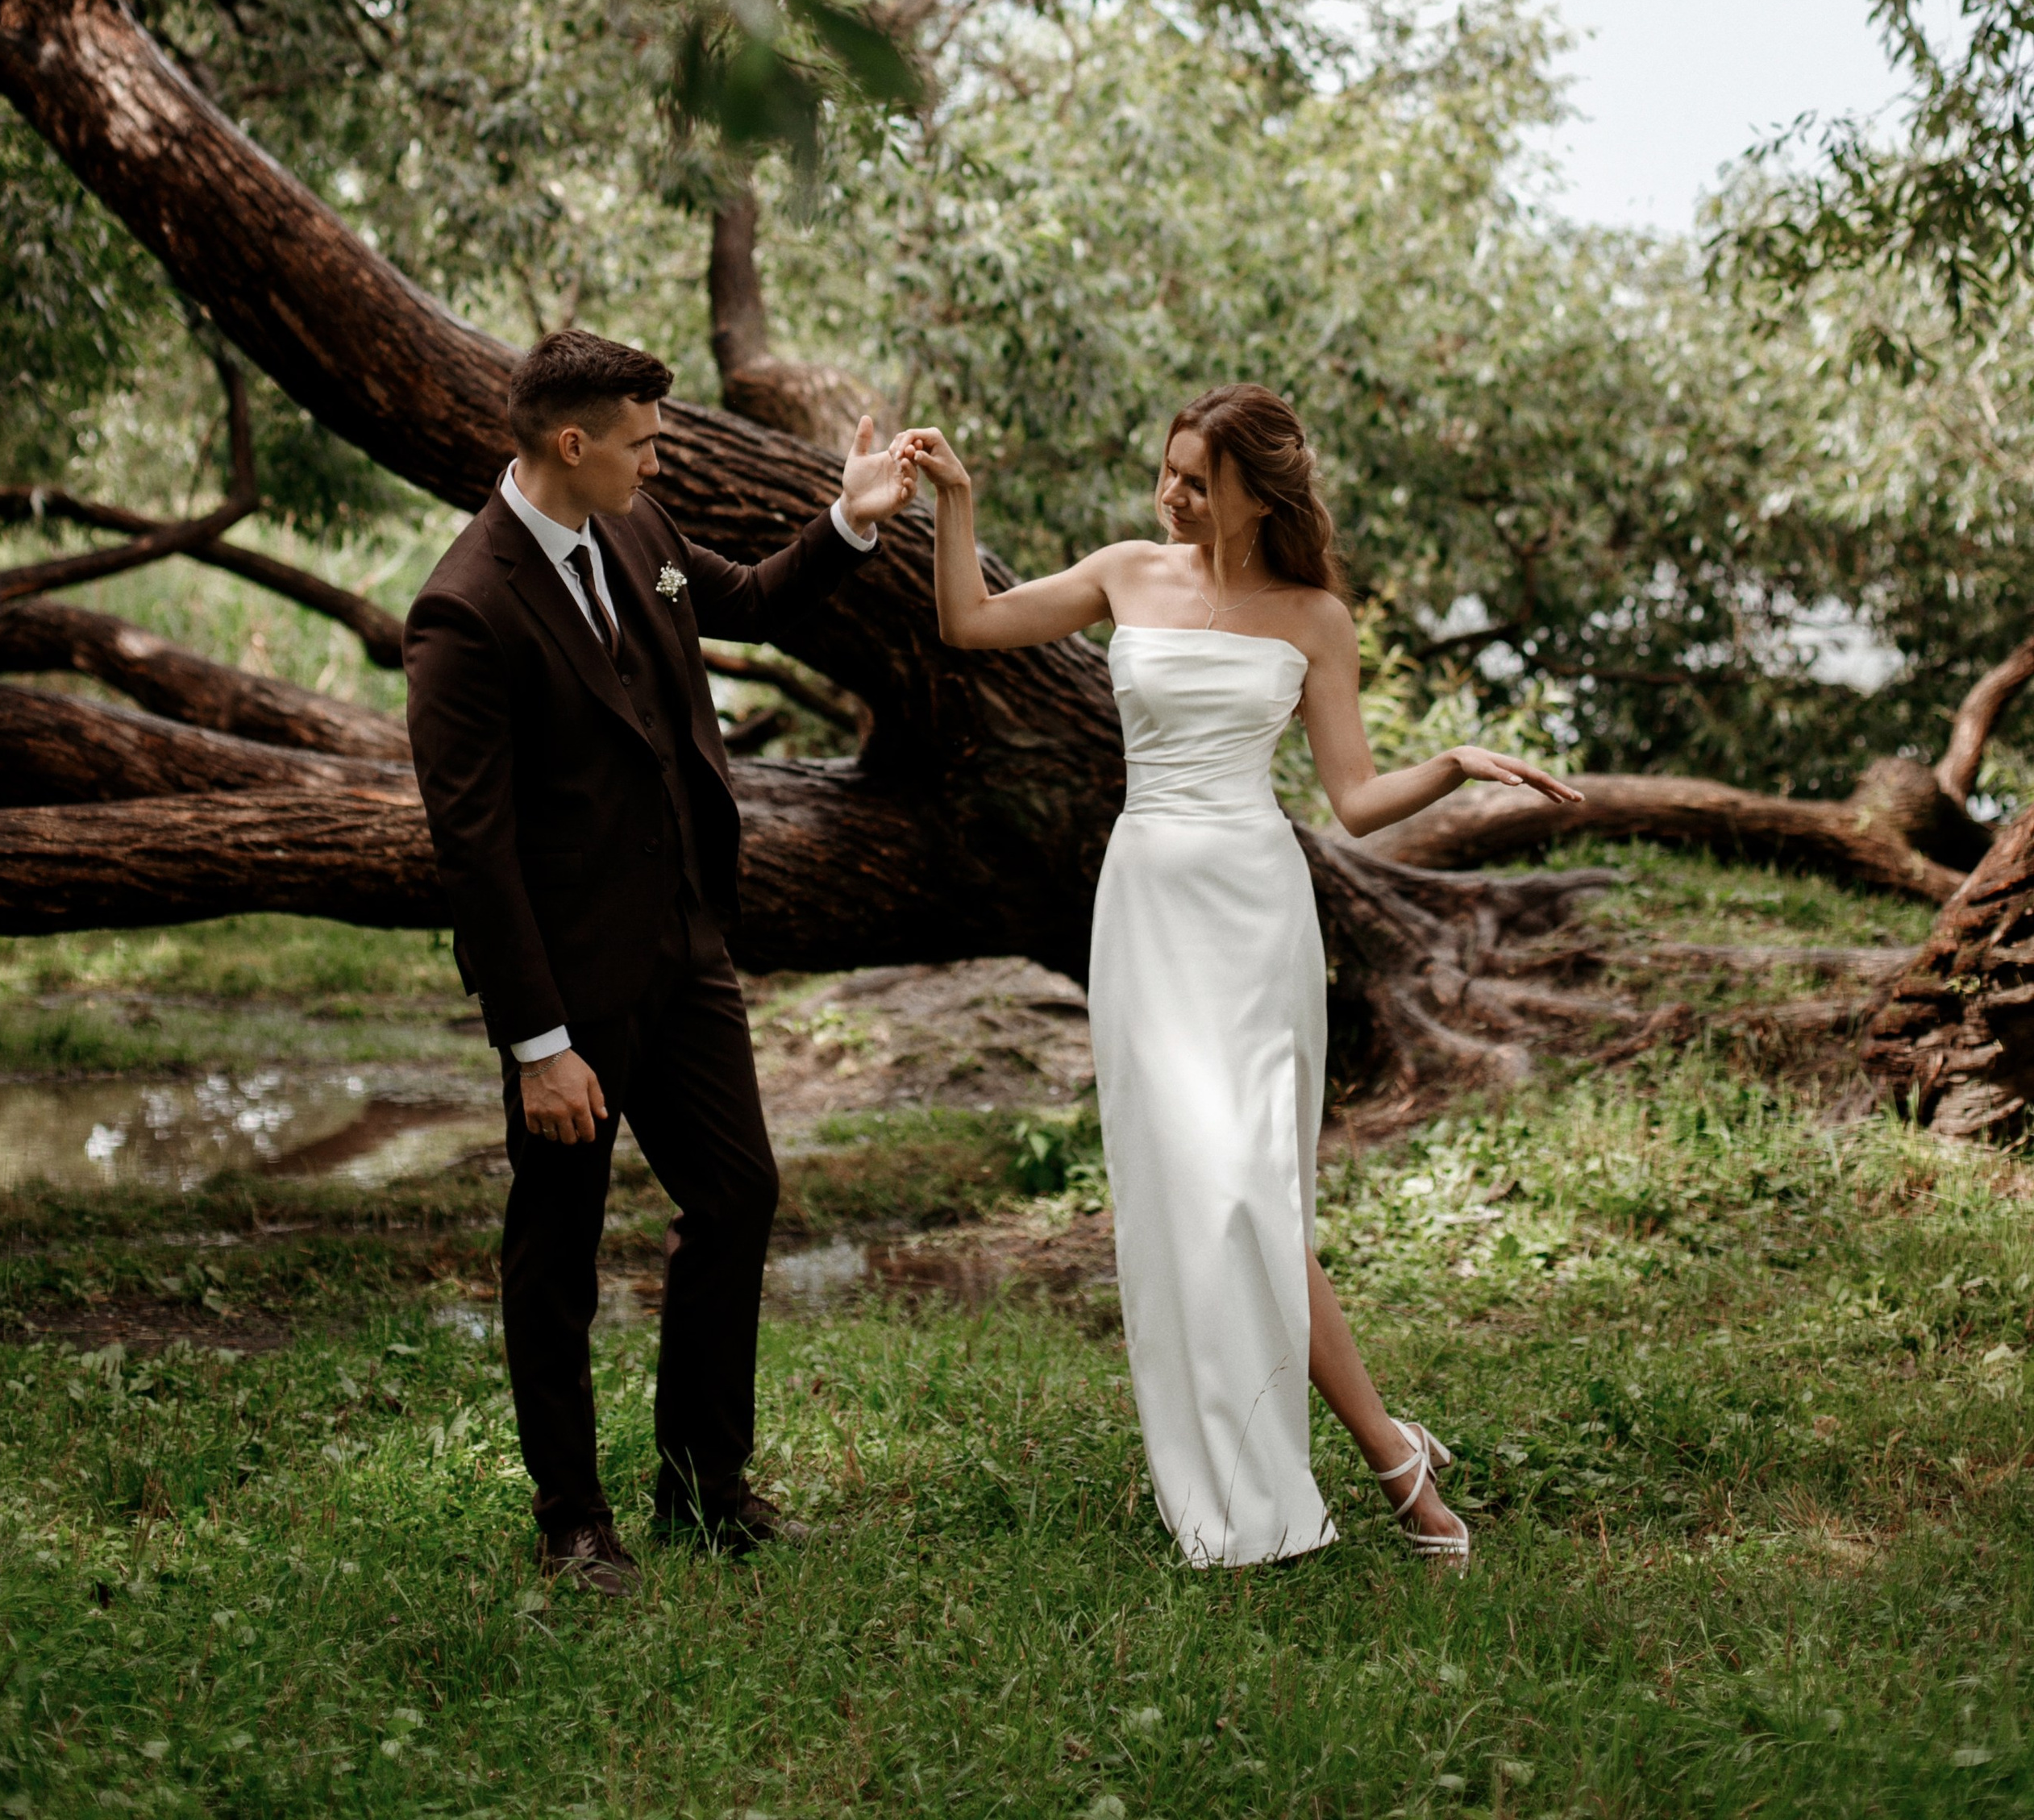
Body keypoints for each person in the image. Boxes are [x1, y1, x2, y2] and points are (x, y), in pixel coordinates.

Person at [906, 384, 1581, 1573]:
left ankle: (1388, 1460)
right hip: (1149, 901)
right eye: (1165, 471)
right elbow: (967, 621)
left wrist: (1454, 765)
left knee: (1253, 1196)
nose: (1169, 496)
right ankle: (1380, 1456)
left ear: (1259, 494)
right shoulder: (1128, 570)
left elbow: (1357, 802)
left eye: (1194, 481)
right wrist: (955, 499)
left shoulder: (1315, 618)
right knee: (1197, 1192)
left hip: (1255, 908)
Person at [404, 326, 916, 1593]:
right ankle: (572, 1518)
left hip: (687, 951)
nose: (659, 457)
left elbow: (738, 601)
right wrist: (538, 1046)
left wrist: (847, 525)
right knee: (558, 1251)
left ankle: (702, 1485)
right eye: (641, 441)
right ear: (569, 445)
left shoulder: (637, 529)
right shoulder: (464, 610)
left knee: (737, 1194)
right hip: (570, 995)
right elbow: (473, 850)